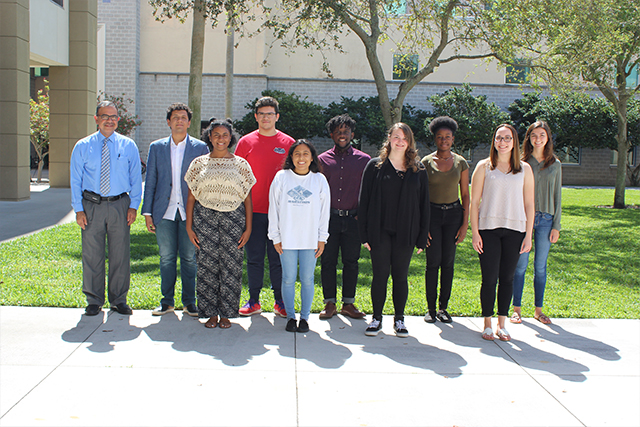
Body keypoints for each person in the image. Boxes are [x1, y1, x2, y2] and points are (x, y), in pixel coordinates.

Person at [70, 100, 142, 316]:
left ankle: (119, 299)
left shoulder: (128, 145)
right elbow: (75, 179)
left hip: (120, 205)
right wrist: (78, 209)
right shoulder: (83, 146)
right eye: (104, 116)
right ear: (96, 119)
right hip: (91, 206)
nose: (109, 120)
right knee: (92, 254)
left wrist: (134, 206)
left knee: (120, 254)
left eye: (113, 117)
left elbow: (136, 178)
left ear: (118, 120)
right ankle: (94, 300)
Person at [359, 123, 430, 338]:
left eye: (405, 138)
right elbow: (364, 201)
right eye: (397, 137)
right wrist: (364, 234)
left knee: (400, 276)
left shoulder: (418, 170)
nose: (400, 141)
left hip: (406, 232)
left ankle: (399, 319)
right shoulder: (375, 166)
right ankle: (376, 318)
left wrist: (422, 237)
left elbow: (424, 205)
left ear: (409, 142)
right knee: (380, 275)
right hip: (379, 231)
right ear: (389, 138)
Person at [185, 119, 256, 329]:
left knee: (231, 266)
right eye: (216, 134)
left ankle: (226, 314)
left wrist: (248, 228)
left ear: (230, 138)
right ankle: (210, 314)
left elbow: (247, 199)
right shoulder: (198, 164)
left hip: (234, 218)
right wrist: (189, 226)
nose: (220, 139)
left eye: (225, 135)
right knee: (206, 266)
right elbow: (191, 197)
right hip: (204, 217)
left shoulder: (241, 164)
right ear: (209, 137)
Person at [142, 103, 209, 317]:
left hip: (191, 213)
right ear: (168, 122)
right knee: (166, 258)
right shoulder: (156, 147)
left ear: (189, 123)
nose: (179, 121)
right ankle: (167, 302)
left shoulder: (200, 148)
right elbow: (151, 180)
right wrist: (147, 212)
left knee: (189, 258)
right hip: (164, 212)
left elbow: (205, 182)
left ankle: (190, 302)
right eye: (175, 117)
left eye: (183, 117)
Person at [470, 124, 534, 341]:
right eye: (499, 138)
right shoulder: (484, 166)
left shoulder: (525, 169)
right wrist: (475, 232)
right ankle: (487, 323)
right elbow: (474, 202)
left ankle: (502, 324)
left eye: (507, 138)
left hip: (515, 230)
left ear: (514, 142)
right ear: (494, 141)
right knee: (489, 278)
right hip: (488, 230)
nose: (503, 142)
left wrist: (528, 235)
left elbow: (529, 204)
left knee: (507, 278)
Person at [234, 96, 295, 317]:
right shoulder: (245, 142)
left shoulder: (288, 143)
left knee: (278, 259)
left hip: (281, 213)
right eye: (262, 114)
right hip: (252, 211)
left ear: (277, 116)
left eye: (270, 114)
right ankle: (254, 301)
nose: (266, 117)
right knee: (254, 258)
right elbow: (236, 176)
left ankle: (280, 301)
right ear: (256, 116)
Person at [268, 140, 330, 332]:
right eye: (297, 154)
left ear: (312, 158)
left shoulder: (319, 180)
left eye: (305, 154)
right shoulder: (281, 177)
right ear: (291, 157)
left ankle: (304, 318)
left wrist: (322, 238)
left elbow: (324, 212)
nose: (301, 158)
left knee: (307, 279)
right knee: (288, 278)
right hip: (286, 239)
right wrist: (275, 236)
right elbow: (273, 208)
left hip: (310, 239)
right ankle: (290, 317)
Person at [318, 114, 370, 319]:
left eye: (346, 131)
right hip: (329, 220)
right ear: (332, 135)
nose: (342, 135)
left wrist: (363, 217)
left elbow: (369, 192)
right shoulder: (321, 160)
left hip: (353, 220)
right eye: (338, 132)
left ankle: (348, 303)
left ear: (352, 135)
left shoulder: (364, 160)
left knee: (351, 262)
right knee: (327, 261)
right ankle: (329, 303)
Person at [511, 121, 562, 325]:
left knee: (540, 267)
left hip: (546, 221)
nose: (538, 139)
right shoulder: (522, 162)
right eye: (534, 135)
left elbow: (558, 195)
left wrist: (556, 225)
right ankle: (516, 309)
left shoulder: (555, 164)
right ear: (528, 138)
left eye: (542, 135)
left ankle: (538, 311)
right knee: (520, 265)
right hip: (524, 219)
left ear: (548, 138)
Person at [422, 117, 470, 324]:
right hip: (432, 215)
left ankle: (443, 308)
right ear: (435, 138)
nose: (444, 140)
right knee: (433, 262)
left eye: (447, 137)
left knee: (448, 262)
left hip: (453, 215)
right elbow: (421, 197)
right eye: (440, 137)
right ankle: (431, 309)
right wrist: (423, 226)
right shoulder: (425, 163)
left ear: (453, 139)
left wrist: (464, 224)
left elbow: (465, 195)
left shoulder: (461, 163)